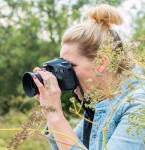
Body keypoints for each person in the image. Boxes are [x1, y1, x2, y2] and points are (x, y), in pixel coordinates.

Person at [32, 4, 145, 150]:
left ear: (101, 63)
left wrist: (55, 115)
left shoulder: (138, 107)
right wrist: (49, 111)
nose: (65, 72)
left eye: (70, 66)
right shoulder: (102, 105)